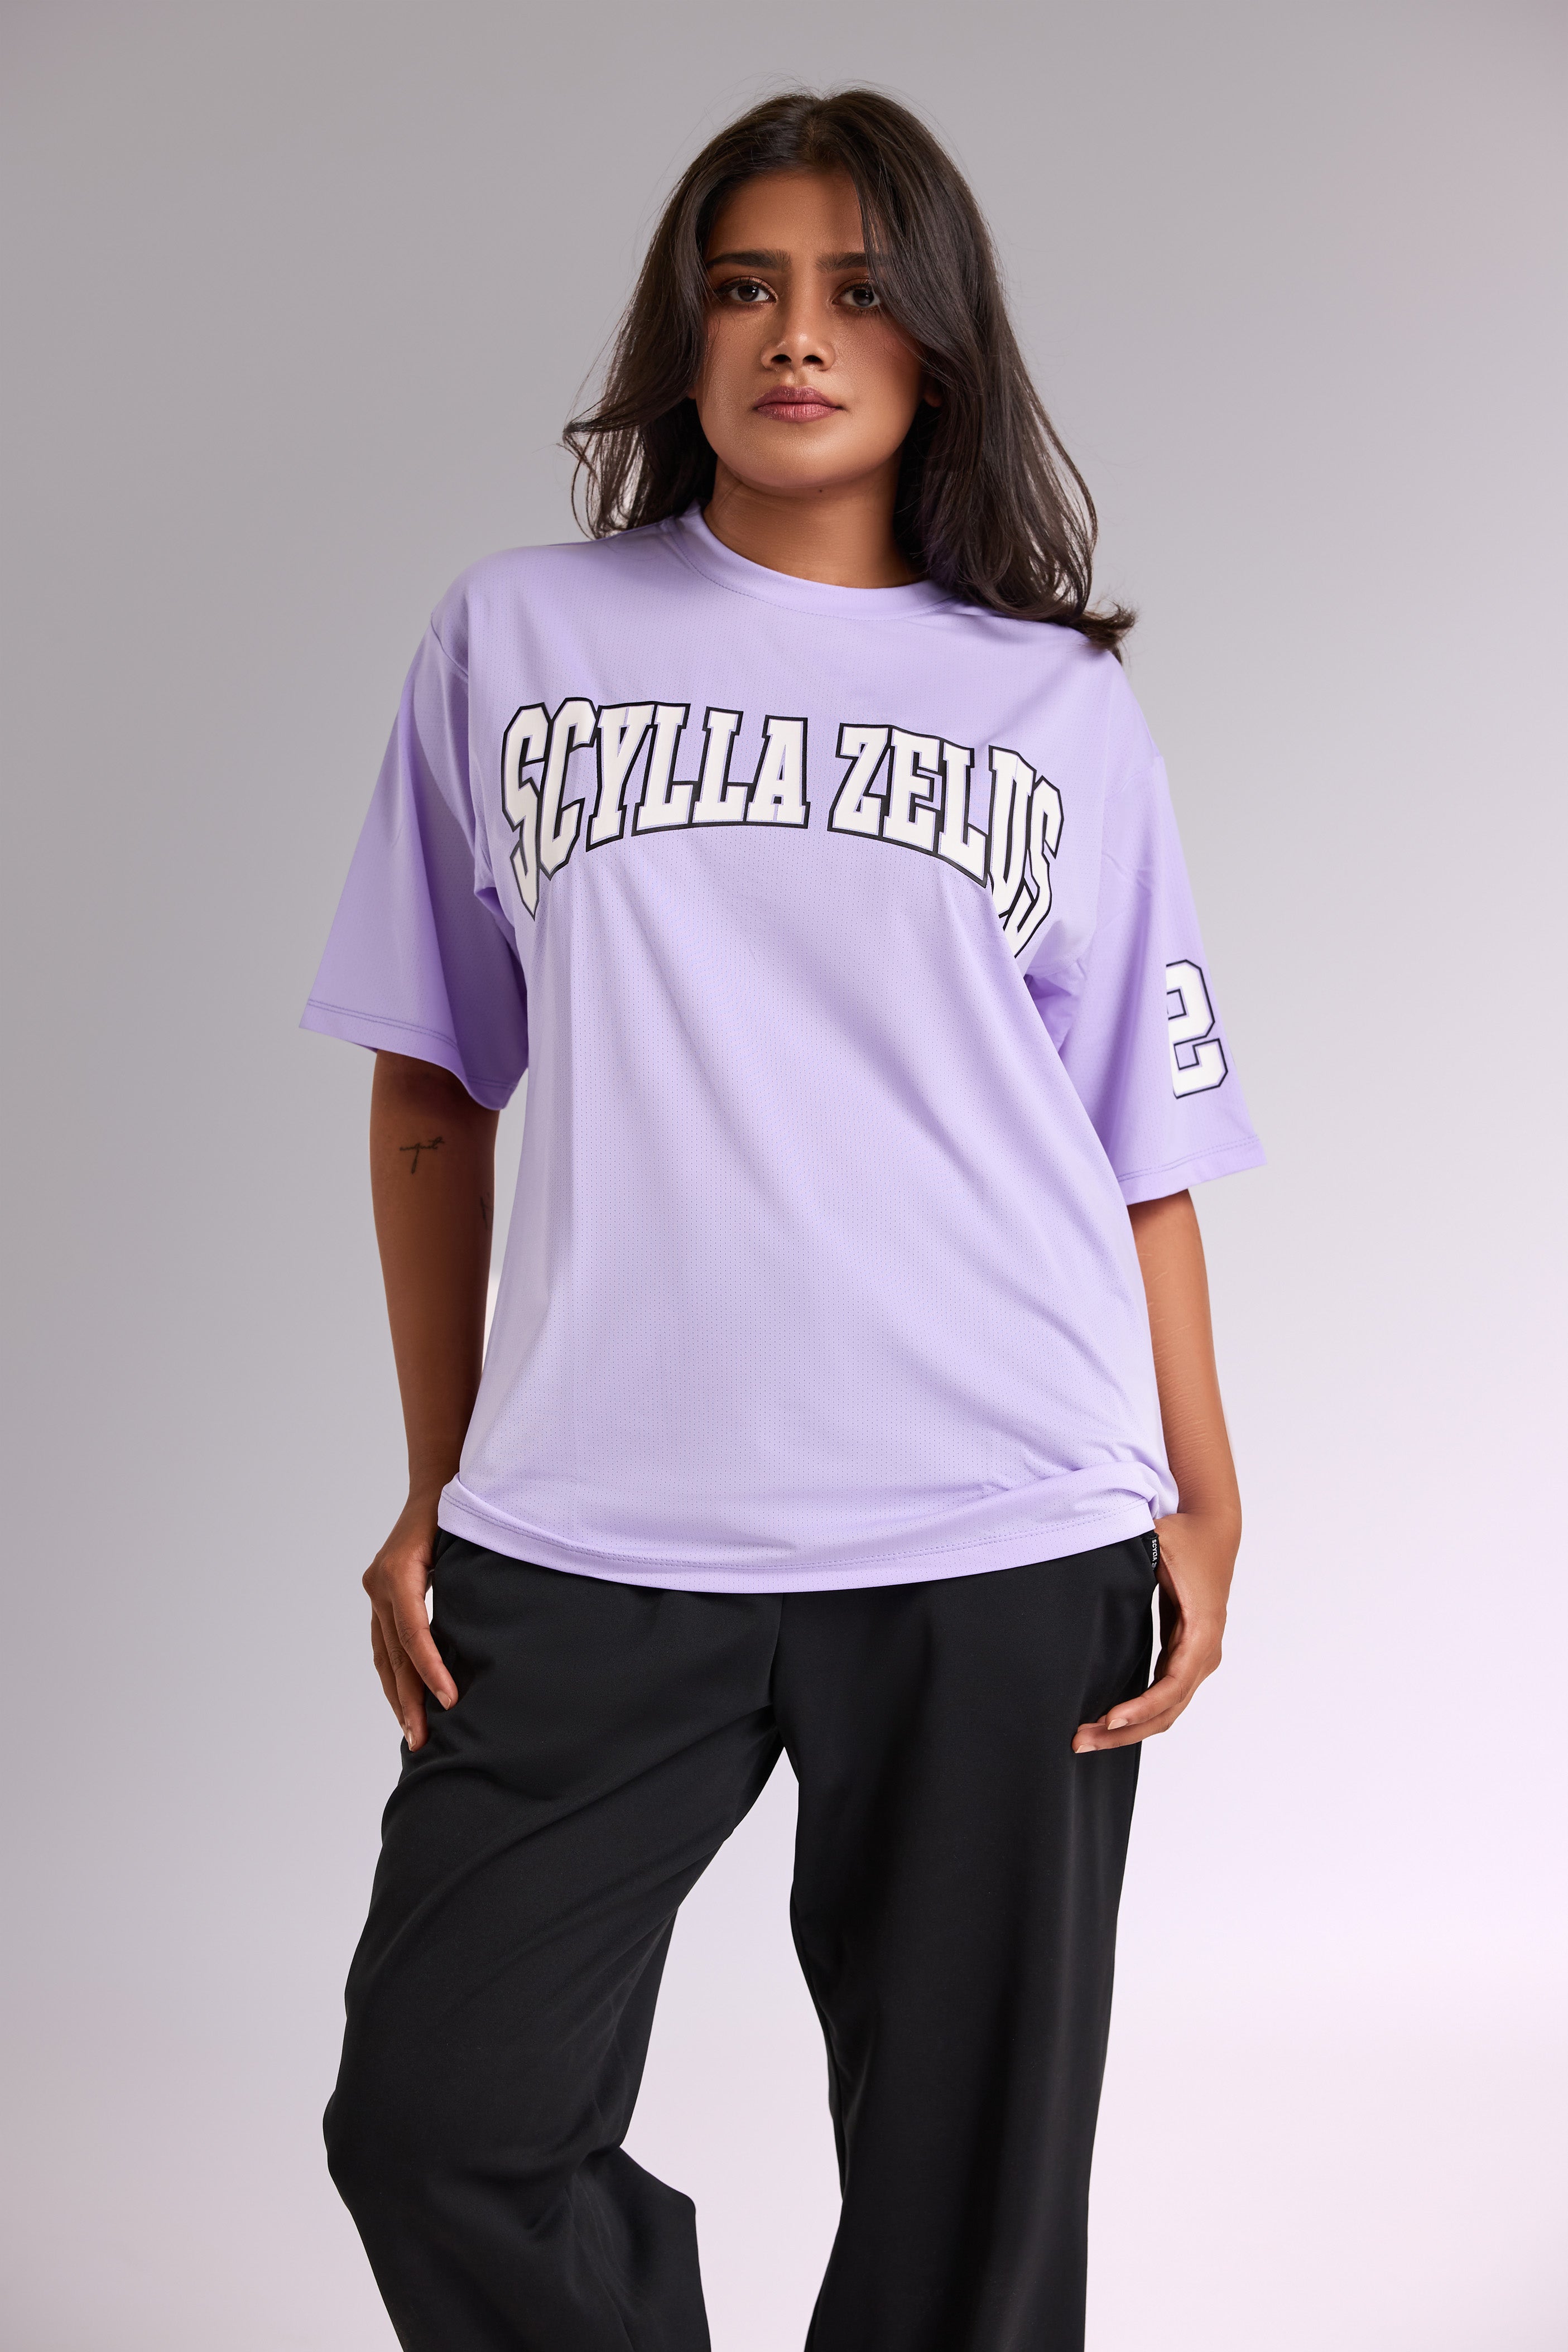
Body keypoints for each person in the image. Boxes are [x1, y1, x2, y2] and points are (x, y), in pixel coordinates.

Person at [304, 86, 1262, 2352]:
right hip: (594, 1521)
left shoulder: (1055, 703)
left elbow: (1132, 1142)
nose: (795, 334)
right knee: (437, 2119)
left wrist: (1206, 1487)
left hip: (999, 1514)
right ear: (686, 333)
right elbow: (434, 1088)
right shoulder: (516, 638)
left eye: (853, 289)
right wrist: (436, 1481)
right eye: (744, 286)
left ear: (938, 342)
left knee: (965, 2225)